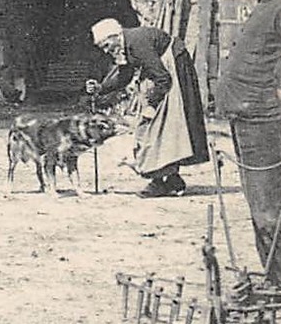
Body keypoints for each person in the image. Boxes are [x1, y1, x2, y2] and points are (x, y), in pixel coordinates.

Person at [213, 0, 281, 285]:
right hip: (247, 116)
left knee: (269, 210)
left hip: (264, 119)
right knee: (261, 207)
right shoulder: (270, 2)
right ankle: (276, 280)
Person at [87, 16, 209, 197]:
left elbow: (163, 78)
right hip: (162, 74)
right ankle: (172, 179)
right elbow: (125, 73)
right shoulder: (123, 46)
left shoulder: (136, 43)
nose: (106, 51)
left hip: (173, 70)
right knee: (159, 128)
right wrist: (101, 88)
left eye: (107, 46)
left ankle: (160, 181)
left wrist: (151, 103)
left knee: (157, 126)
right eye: (103, 48)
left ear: (115, 36)